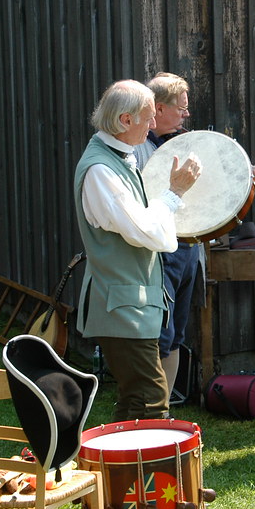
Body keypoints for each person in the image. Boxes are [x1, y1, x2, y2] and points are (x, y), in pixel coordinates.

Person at [74, 79, 202, 421]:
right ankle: (147, 476)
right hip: (121, 307)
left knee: (136, 402)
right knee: (149, 402)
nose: (153, 125)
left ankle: (121, 475)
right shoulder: (101, 170)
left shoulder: (119, 158)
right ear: (125, 121)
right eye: (147, 118)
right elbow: (146, 232)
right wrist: (174, 192)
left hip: (132, 303)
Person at [134, 72, 201, 396]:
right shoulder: (137, 151)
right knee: (161, 335)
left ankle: (167, 411)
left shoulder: (180, 142)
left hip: (187, 248)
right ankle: (153, 414)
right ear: (158, 109)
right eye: (181, 108)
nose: (186, 114)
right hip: (159, 253)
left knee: (175, 336)